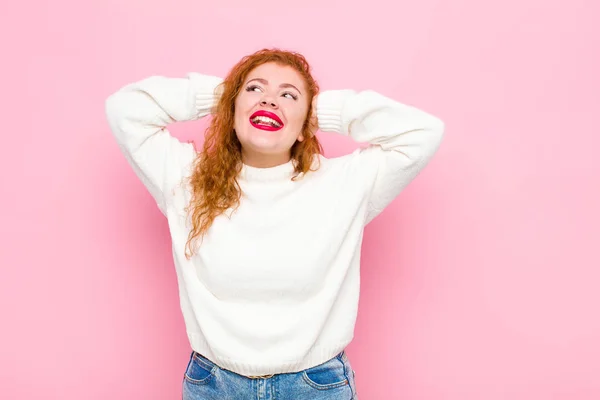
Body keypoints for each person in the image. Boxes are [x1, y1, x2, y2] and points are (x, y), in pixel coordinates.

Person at [104, 48, 444, 400]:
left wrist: (323, 110)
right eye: (254, 89)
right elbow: (124, 109)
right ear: (232, 110)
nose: (269, 101)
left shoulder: (344, 184)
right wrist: (225, 94)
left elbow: (423, 132)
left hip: (315, 386)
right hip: (214, 386)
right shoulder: (185, 178)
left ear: (305, 126)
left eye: (288, 95)